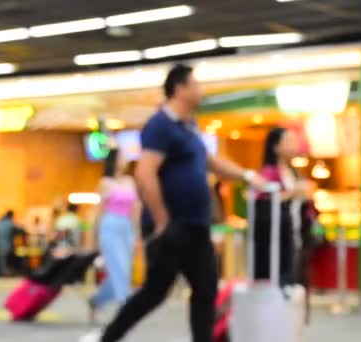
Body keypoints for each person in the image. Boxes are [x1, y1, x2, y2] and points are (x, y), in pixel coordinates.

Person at [80, 64, 264, 342]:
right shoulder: (160, 125)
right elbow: (145, 172)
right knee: (155, 291)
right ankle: (109, 336)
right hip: (172, 226)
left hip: (196, 224)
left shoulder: (190, 126)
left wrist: (248, 175)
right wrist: (162, 218)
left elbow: (211, 162)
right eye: (196, 85)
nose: (201, 91)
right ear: (179, 89)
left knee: (205, 289)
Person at [88, 148, 139, 322]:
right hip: (109, 226)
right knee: (118, 267)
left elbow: (135, 209)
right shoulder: (105, 183)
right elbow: (97, 211)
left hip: (126, 228)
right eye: (121, 157)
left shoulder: (130, 181)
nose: (124, 160)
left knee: (124, 269)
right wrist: (91, 238)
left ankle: (96, 300)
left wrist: (137, 232)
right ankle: (125, 306)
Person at [254, 127, 311, 283]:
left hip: (296, 231)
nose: (294, 146)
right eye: (288, 141)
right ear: (275, 146)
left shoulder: (294, 171)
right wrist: (293, 193)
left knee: (295, 275)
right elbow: (264, 202)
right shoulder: (268, 172)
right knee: (282, 275)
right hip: (278, 236)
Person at [0, 210, 16, 276]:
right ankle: (5, 272)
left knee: (1, 259)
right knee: (6, 259)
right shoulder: (10, 222)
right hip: (7, 245)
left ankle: (2, 272)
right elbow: (17, 230)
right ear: (11, 215)